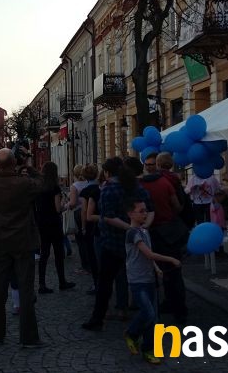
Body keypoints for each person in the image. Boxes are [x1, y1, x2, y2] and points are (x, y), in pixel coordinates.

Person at [82, 157, 153, 331]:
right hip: (137, 242)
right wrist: (142, 227)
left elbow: (108, 217)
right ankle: (146, 314)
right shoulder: (136, 186)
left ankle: (97, 319)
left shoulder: (109, 189)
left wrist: (130, 228)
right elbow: (150, 209)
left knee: (105, 282)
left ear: (107, 172)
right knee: (142, 278)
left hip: (113, 242)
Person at [0, 148, 45, 347]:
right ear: (14, 163)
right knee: (25, 288)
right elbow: (42, 183)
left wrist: (13, 167)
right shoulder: (23, 183)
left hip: (0, 241)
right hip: (22, 240)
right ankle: (28, 337)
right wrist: (27, 166)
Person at [122, 198, 181, 365]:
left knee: (153, 318)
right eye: (141, 211)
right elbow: (148, 253)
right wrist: (171, 259)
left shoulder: (144, 231)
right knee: (148, 313)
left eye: (145, 210)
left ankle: (148, 349)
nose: (145, 213)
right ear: (130, 214)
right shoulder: (132, 233)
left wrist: (156, 268)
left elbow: (147, 255)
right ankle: (132, 333)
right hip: (137, 280)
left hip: (149, 279)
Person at [140, 152, 188, 323]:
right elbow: (177, 206)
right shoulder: (167, 182)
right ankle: (179, 310)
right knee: (174, 271)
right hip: (168, 231)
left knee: (151, 272)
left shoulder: (141, 185)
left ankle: (155, 308)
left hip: (149, 231)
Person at [36, 162, 75, 294]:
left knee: (44, 253)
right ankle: (62, 281)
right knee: (58, 253)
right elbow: (58, 208)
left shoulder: (39, 187)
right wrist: (65, 203)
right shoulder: (55, 188)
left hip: (42, 222)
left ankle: (41, 284)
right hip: (54, 222)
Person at [79, 164, 101, 295]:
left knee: (92, 255)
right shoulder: (101, 187)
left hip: (90, 223)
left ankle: (96, 283)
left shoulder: (85, 191)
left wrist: (83, 227)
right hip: (100, 222)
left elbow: (84, 211)